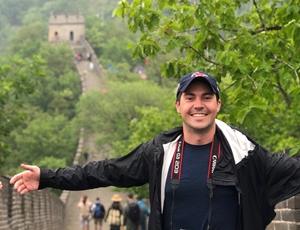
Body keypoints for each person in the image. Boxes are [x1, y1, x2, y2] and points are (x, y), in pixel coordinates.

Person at [10, 71, 300, 230]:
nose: (198, 104)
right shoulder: (160, 152)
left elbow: (292, 170)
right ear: (178, 105)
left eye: (207, 97)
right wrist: (48, 177)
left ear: (218, 105)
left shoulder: (244, 152)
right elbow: (107, 170)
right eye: (190, 97)